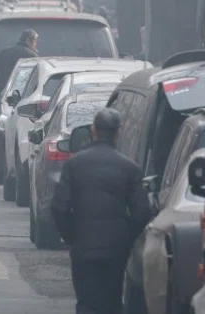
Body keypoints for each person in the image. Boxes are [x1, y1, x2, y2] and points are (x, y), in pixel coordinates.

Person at [51, 108, 150, 314]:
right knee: (112, 301)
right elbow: (142, 211)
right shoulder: (130, 168)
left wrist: (71, 235)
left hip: (83, 244)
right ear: (117, 133)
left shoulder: (74, 164)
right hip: (116, 248)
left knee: (86, 301)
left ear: (93, 131)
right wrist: (126, 236)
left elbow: (59, 206)